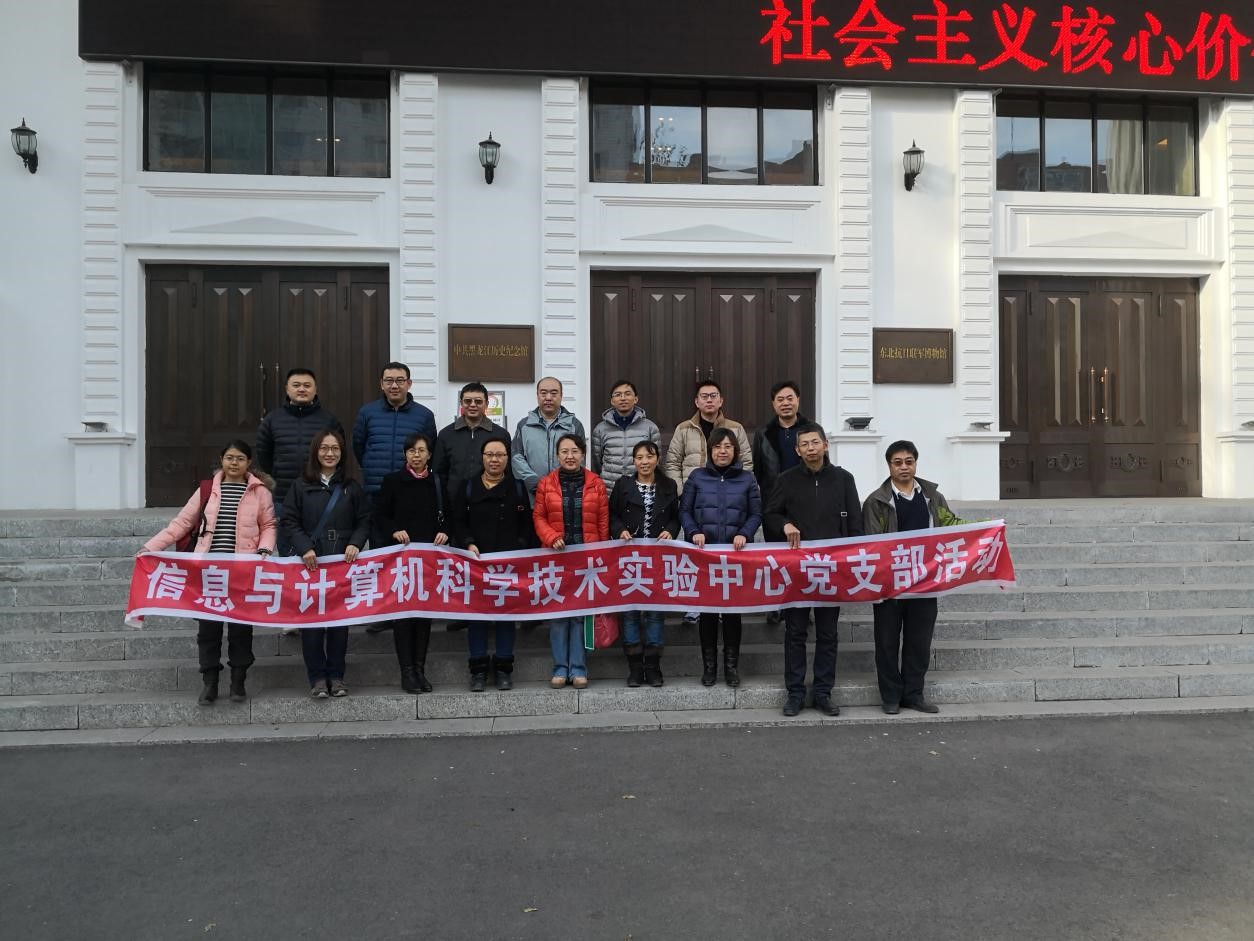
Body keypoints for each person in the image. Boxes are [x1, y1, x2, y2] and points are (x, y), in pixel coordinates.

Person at [141, 440, 276, 705]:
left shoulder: (260, 492)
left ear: (249, 463)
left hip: (242, 571)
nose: (234, 463)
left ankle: (238, 681)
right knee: (208, 629)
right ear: (222, 460)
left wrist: (264, 550)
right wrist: (151, 547)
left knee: (240, 629)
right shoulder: (207, 490)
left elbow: (269, 525)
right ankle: (210, 681)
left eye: (240, 458)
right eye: (229, 457)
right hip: (209, 572)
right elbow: (182, 523)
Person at [764, 422, 863, 717]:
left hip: (832, 569)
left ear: (825, 445)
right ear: (797, 450)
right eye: (804, 444)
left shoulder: (844, 479)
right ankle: (795, 693)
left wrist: (851, 559)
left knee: (828, 633)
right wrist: (785, 524)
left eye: (815, 442)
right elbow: (770, 514)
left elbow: (856, 523)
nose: (810, 448)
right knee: (795, 632)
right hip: (798, 569)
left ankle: (822, 692)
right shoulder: (786, 480)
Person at [863, 440, 962, 716]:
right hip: (890, 585)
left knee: (919, 642)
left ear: (916, 463)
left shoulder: (932, 496)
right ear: (889, 466)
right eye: (897, 462)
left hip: (925, 582)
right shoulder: (877, 501)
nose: (904, 467)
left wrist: (984, 528)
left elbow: (950, 525)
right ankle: (891, 697)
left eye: (909, 461)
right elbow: (872, 543)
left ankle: (914, 694)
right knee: (887, 643)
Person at [283, 429, 371, 699]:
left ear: (342, 453)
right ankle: (317, 678)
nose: (329, 453)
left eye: (335, 448)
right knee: (311, 624)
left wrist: (355, 543)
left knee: (339, 624)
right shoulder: (301, 485)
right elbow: (289, 521)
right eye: (324, 448)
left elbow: (364, 520)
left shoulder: (351, 487)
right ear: (315, 451)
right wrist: (305, 547)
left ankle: (336, 676)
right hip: (311, 563)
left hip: (342, 562)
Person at [448, 436, 537, 691]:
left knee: (505, 616)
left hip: (508, 565)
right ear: (482, 458)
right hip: (476, 564)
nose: (494, 460)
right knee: (477, 617)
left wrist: (519, 547)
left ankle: (503, 668)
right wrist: (468, 543)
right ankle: (478, 670)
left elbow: (526, 525)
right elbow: (458, 521)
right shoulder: (468, 487)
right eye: (490, 455)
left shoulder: (517, 487)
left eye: (500, 455)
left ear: (507, 459)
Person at [678, 427, 761, 687]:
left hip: (735, 557)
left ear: (735, 450)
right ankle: (710, 667)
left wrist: (745, 534)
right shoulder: (697, 477)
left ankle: (731, 667)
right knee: (708, 613)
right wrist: (693, 532)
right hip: (705, 557)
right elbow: (684, 511)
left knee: (733, 613)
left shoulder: (747, 479)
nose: (722, 451)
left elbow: (756, 514)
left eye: (727, 446)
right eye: (717, 446)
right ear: (710, 450)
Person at [666, 380, 753, 624]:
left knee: (728, 557)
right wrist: (682, 492)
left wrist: (741, 489)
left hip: (730, 500)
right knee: (697, 555)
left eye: (713, 395)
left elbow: (746, 462)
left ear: (721, 400)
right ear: (696, 401)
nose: (709, 400)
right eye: (704, 396)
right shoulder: (684, 428)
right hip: (696, 500)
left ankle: (727, 603)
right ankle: (696, 605)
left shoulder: (735, 429)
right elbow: (673, 462)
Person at [374, 432, 449, 694]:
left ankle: (419, 669)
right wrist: (394, 530)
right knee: (404, 617)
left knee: (423, 616)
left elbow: (449, 515)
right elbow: (380, 515)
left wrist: (445, 532)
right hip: (401, 560)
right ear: (405, 454)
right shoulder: (393, 481)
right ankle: (406, 672)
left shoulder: (437, 482)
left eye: (421, 451)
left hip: (429, 560)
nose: (416, 456)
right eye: (411, 451)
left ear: (429, 454)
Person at [533, 433, 610, 689]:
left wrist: (601, 554)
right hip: (556, 558)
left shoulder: (596, 483)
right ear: (557, 455)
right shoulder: (546, 484)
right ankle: (559, 668)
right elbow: (539, 517)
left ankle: (578, 668)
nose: (570, 456)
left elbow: (602, 522)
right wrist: (551, 537)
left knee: (579, 615)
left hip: (586, 560)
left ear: (583, 454)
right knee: (558, 615)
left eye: (575, 451)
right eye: (565, 451)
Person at [609, 441, 679, 687]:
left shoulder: (668, 486)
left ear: (657, 459)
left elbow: (676, 517)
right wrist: (619, 530)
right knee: (630, 613)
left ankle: (653, 667)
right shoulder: (623, 485)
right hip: (629, 559)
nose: (644, 462)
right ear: (633, 461)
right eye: (639, 457)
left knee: (655, 614)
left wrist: (671, 531)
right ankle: (635, 668)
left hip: (657, 559)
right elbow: (612, 515)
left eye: (649, 457)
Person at [752, 380, 809, 625]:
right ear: (773, 404)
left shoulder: (811, 429)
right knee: (775, 556)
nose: (785, 403)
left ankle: (803, 604)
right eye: (780, 399)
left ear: (798, 400)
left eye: (790, 398)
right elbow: (757, 469)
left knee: (802, 555)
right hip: (773, 502)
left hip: (805, 501)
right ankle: (776, 604)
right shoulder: (763, 433)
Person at [255, 367, 343, 522]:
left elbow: (340, 454)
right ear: (287, 389)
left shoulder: (329, 420)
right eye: (296, 385)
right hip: (283, 494)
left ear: (315, 389)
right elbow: (264, 454)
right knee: (284, 536)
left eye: (307, 385)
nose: (302, 389)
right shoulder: (272, 420)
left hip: (319, 493)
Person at [352, 362, 436, 497]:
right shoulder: (367, 413)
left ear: (409, 384)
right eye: (389, 381)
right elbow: (358, 446)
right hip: (375, 488)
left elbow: (431, 451)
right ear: (381, 384)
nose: (394, 386)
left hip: (410, 488)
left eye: (400, 381)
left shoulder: (425, 415)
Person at [511, 376, 585, 496]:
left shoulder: (574, 425)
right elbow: (516, 457)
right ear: (537, 395)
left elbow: (580, 458)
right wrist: (534, 482)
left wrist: (566, 484)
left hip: (565, 493)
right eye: (543, 393)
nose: (548, 398)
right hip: (533, 494)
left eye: (554, 393)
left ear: (561, 396)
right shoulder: (524, 425)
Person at [433, 381, 511, 494]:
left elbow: (507, 471)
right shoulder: (446, 434)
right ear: (461, 403)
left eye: (478, 401)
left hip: (491, 499)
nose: (473, 405)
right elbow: (439, 474)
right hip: (454, 500)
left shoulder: (501, 435)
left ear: (486, 404)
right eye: (468, 401)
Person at [590, 379, 661, 490]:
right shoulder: (600, 429)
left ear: (636, 399)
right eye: (618, 395)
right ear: (612, 401)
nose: (623, 398)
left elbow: (656, 460)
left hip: (640, 489)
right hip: (610, 489)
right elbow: (596, 463)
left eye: (627, 394)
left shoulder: (650, 428)